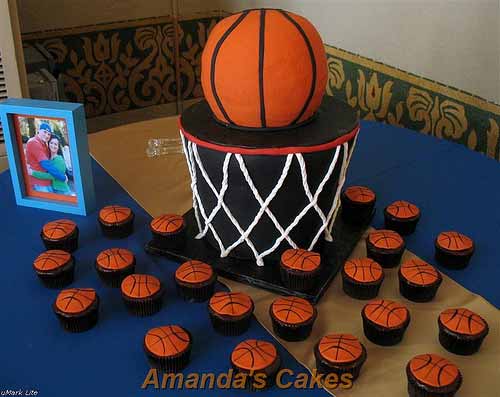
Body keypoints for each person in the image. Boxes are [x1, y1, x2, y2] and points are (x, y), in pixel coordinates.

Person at [25, 122, 66, 192]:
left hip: (47, 181)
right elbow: (45, 164)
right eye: (45, 132)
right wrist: (62, 177)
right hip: (39, 183)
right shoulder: (34, 142)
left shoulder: (44, 144)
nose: (47, 135)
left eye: (49, 134)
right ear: (39, 131)